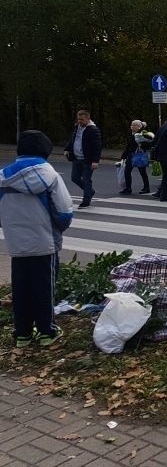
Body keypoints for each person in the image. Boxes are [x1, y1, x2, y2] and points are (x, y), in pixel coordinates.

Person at [1, 130, 73, 347]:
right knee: (44, 288)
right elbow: (64, 212)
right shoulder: (50, 175)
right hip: (44, 242)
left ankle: (22, 333)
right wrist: (58, 228)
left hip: (16, 244)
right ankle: (46, 332)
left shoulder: (3, 176)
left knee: (21, 288)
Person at [64, 109, 102, 208]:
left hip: (88, 160)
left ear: (88, 119)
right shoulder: (77, 127)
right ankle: (90, 191)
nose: (79, 121)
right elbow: (72, 138)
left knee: (86, 180)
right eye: (78, 119)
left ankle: (86, 201)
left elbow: (97, 146)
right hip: (76, 158)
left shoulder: (93, 130)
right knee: (74, 178)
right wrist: (67, 149)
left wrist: (95, 161)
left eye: (81, 119)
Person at [120, 119, 153, 194]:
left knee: (142, 172)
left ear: (139, 127)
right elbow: (128, 146)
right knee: (127, 171)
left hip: (138, 155)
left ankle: (146, 188)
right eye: (131, 125)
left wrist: (141, 144)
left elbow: (150, 144)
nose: (131, 126)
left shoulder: (143, 134)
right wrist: (124, 156)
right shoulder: (132, 134)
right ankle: (128, 188)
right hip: (131, 155)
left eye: (133, 125)